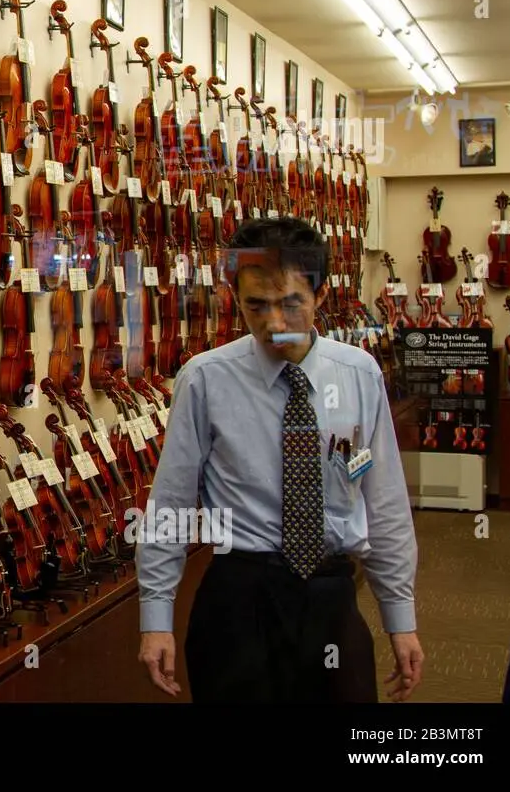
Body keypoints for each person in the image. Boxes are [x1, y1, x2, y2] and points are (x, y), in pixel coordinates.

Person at [135, 216, 424, 702]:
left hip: (331, 595)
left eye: (291, 304)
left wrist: (400, 616)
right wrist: (156, 617)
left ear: (321, 296)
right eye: (256, 305)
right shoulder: (206, 380)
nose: (274, 324)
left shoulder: (358, 374)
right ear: (235, 297)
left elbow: (385, 502)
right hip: (238, 600)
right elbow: (171, 504)